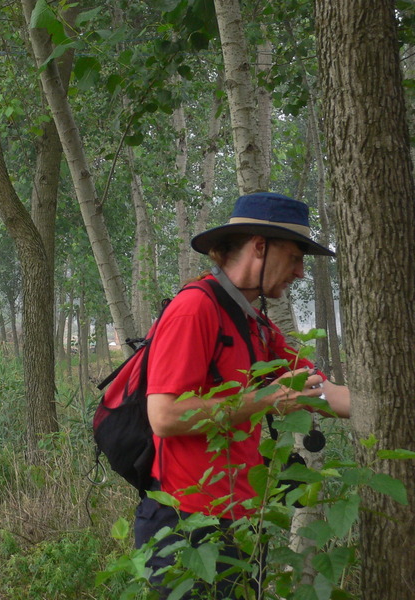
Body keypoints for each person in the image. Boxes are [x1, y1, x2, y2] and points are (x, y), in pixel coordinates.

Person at [138, 192, 351, 597]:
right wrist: (267, 399)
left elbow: (321, 391)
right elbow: (163, 416)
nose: (301, 272)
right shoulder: (194, 309)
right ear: (259, 246)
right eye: (295, 257)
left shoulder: (257, 325)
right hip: (185, 526)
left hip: (239, 524)